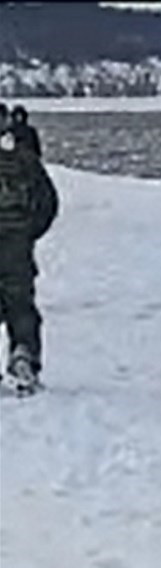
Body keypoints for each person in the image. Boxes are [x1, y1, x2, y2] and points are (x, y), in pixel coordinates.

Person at [0, 129, 59, 395]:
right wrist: (27, 232)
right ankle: (23, 358)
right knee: (20, 304)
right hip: (16, 243)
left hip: (17, 239)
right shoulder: (26, 161)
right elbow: (48, 203)